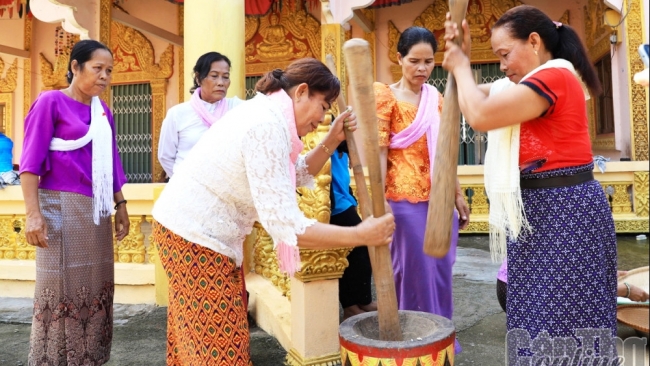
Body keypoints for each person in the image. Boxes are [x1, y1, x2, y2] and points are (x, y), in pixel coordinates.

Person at [151, 58, 395, 365]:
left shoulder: (270, 116)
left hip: (197, 235)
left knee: (199, 340)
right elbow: (287, 227)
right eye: (323, 106)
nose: (322, 117)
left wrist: (332, 140)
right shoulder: (266, 126)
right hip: (195, 238)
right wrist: (359, 234)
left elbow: (298, 172)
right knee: (220, 349)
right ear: (301, 92)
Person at [443, 5, 618, 359]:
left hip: (565, 212)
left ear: (534, 41)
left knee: (562, 318)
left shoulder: (554, 76)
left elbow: (479, 114)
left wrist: (461, 64)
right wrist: (458, 58)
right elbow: (473, 96)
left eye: (505, 55)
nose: (503, 65)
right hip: (541, 213)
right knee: (539, 318)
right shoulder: (528, 85)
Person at [19, 39, 129, 365]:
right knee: (61, 284)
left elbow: (112, 163)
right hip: (58, 207)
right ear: (75, 67)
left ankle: (89, 357)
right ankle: (54, 358)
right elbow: (30, 163)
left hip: (96, 212)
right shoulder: (50, 102)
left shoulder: (102, 111)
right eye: (98, 68)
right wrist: (32, 215)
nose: (105, 76)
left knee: (95, 283)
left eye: (109, 70)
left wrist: (121, 205)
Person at [373, 26, 470, 353]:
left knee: (440, 272)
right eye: (414, 61)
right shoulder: (385, 97)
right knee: (414, 272)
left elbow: (444, 152)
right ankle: (415, 342)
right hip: (402, 201)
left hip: (438, 200)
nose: (422, 69)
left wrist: (457, 194)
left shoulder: (436, 99)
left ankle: (440, 340)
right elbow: (380, 152)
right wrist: (379, 202)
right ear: (398, 58)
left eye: (428, 62)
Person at [158, 51, 243, 179]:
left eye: (225, 77)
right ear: (198, 78)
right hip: (189, 189)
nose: (221, 82)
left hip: (226, 188)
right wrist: (183, 181)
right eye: (214, 76)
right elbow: (165, 157)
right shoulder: (178, 114)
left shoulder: (237, 108)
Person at [329, 139, 377, 320]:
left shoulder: (343, 148)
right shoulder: (327, 142)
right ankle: (353, 305)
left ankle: (361, 301)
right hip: (334, 204)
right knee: (357, 250)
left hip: (345, 200)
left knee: (354, 253)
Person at [496, 262, 650, 312]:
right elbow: (568, 285)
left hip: (506, 287)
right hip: (528, 297)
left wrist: (603, 274)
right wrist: (625, 290)